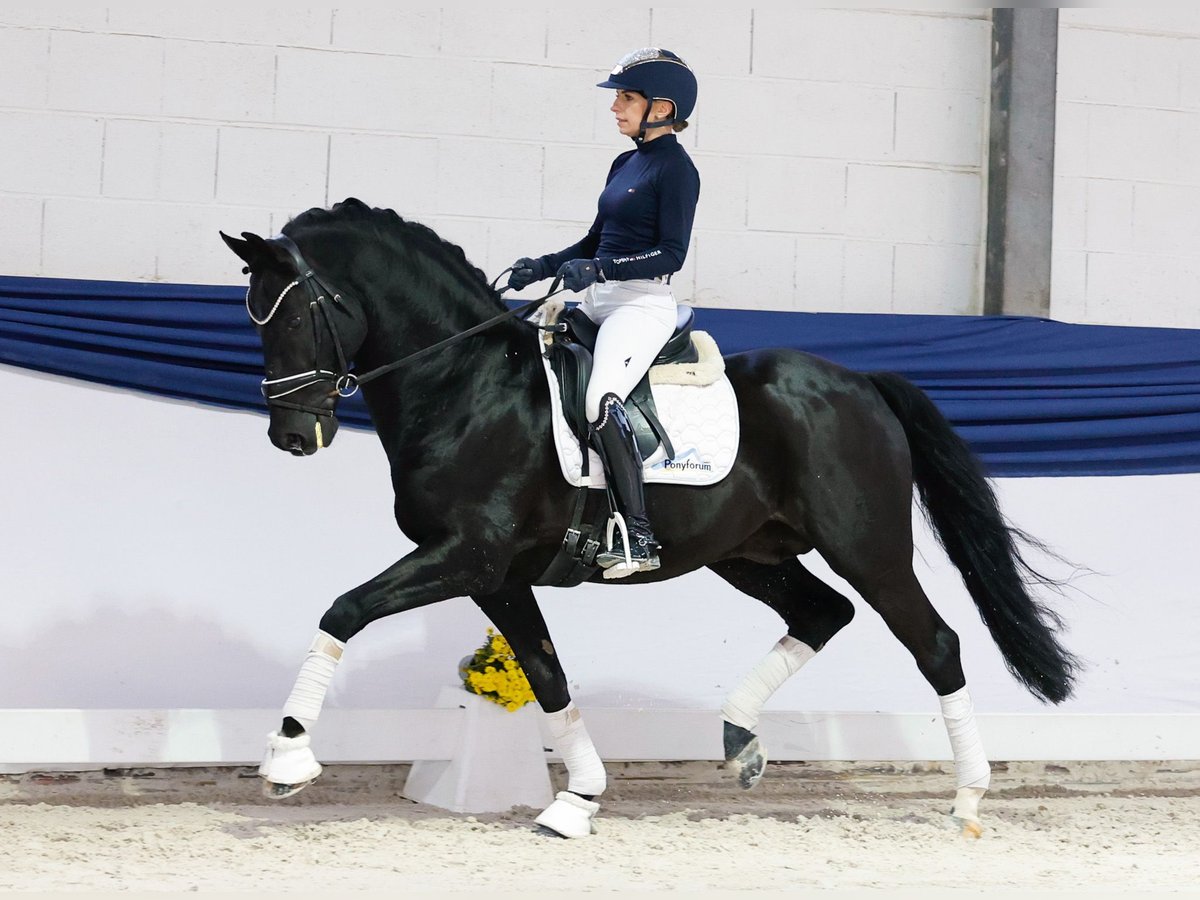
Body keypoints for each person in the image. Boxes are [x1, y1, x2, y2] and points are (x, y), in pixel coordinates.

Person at [508, 48, 701, 578]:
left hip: (641, 305)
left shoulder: (678, 170)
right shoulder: (624, 163)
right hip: (599, 299)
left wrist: (602, 269)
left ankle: (639, 535)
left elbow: (671, 254)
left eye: (626, 98)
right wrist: (544, 265)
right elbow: (594, 241)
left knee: (600, 399)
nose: (615, 107)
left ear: (661, 108)